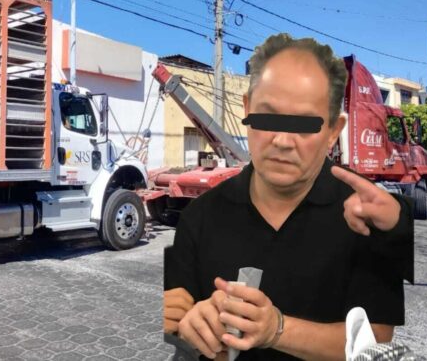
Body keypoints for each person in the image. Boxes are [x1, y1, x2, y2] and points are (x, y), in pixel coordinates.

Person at [163, 34, 413, 360]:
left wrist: (276, 329)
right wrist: (190, 329)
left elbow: (377, 341)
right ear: (247, 110)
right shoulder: (199, 216)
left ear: (333, 131)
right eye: (268, 117)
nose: (282, 140)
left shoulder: (369, 219)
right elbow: (177, 321)